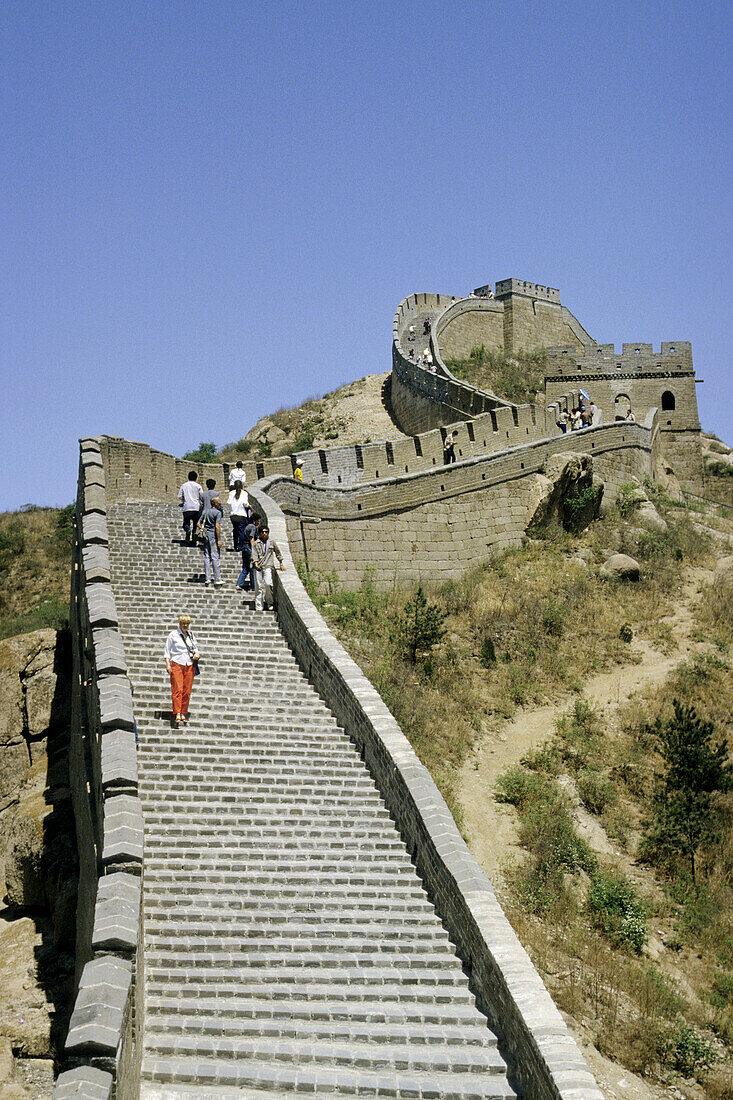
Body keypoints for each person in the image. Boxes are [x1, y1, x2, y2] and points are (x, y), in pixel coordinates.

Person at [164, 615, 200, 726]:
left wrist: (197, 654)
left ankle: (184, 711)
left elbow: (195, 648)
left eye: (187, 623)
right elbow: (167, 651)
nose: (185, 625)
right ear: (179, 623)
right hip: (177, 663)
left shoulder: (191, 635)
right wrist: (167, 665)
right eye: (183, 623)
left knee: (187, 690)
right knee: (177, 689)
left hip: (189, 663)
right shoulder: (173, 635)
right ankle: (177, 712)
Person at [252, 525, 285, 611]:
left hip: (268, 566)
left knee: (268, 583)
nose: (264, 534)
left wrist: (281, 563)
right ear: (259, 533)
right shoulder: (256, 543)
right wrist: (255, 564)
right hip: (258, 566)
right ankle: (259, 605)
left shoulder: (271, 542)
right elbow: (254, 555)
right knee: (258, 587)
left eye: (266, 532)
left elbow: (278, 552)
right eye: (262, 532)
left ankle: (269, 602)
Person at [198, 496, 223, 587]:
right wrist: (219, 539)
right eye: (219, 502)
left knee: (206, 556)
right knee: (215, 556)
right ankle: (217, 579)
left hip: (205, 537)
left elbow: (198, 523)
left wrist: (203, 530)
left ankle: (207, 578)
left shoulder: (205, 512)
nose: (220, 503)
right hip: (213, 536)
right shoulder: (218, 513)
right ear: (215, 503)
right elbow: (217, 526)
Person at [236, 512, 261, 590]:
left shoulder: (247, 526)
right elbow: (251, 538)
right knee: (252, 567)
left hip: (244, 548)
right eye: (258, 521)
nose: (259, 523)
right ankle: (253, 585)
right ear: (255, 521)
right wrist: (254, 549)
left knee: (246, 567)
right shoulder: (253, 527)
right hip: (249, 549)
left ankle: (239, 584)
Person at [177, 472, 203, 546]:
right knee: (195, 525)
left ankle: (188, 530)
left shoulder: (184, 485)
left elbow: (179, 496)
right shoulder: (198, 486)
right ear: (196, 478)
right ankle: (194, 540)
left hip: (187, 507)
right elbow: (201, 496)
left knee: (186, 523)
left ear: (188, 477)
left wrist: (184, 500)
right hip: (196, 508)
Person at [227, 480, 250, 551]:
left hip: (233, 515)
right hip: (241, 514)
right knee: (241, 531)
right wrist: (249, 506)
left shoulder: (231, 493)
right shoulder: (244, 493)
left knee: (235, 530)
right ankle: (240, 546)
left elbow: (229, 503)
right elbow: (245, 503)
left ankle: (235, 546)